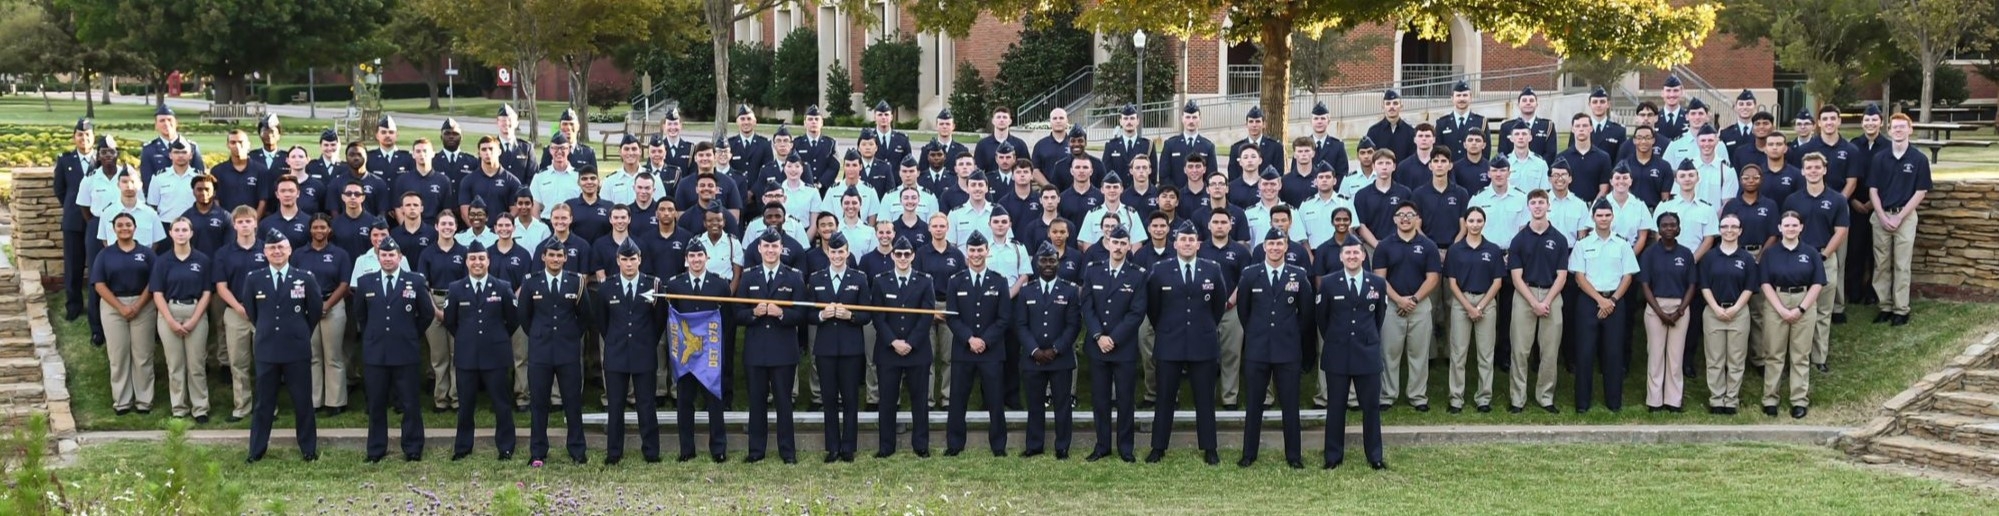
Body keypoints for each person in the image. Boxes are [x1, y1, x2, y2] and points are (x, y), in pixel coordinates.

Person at [1145, 222, 1227, 465]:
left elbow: (1218, 305)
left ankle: (1210, 448)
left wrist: (1204, 326)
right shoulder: (1160, 270)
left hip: (1202, 342)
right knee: (1165, 398)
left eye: (1192, 240)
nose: (1188, 243)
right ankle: (1158, 447)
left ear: (1198, 244)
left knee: (1205, 399)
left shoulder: (1212, 269)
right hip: (1170, 341)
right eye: (1183, 239)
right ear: (1175, 243)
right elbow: (1153, 308)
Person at [241, 229, 323, 463]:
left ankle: (308, 449)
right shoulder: (254, 279)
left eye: (281, 247)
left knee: (302, 401)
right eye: (272, 248)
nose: (277, 251)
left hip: (296, 348)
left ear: (289, 250)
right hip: (267, 348)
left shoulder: (304, 277)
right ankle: (256, 450)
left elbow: (314, 310)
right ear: (265, 252)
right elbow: (252, 311)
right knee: (264, 403)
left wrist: (300, 332)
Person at [1235, 228, 1314, 469]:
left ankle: (1294, 456)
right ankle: (1249, 454)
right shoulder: (1250, 275)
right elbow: (1244, 312)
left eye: (1280, 244)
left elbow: (1306, 314)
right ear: (1264, 247)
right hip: (1258, 349)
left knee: (1290, 406)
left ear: (1287, 247)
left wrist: (1287, 333)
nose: (1275, 248)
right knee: (1254, 404)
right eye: (1271, 244)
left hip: (1287, 349)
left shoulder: (1298, 276)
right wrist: (1259, 333)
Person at [353, 238, 433, 462]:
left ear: (400, 257)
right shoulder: (365, 282)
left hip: (405, 352)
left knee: (410, 403)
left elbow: (426, 314)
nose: (388, 259)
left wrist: (409, 334)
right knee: (377, 404)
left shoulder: (414, 282)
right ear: (378, 258)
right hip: (376, 353)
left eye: (392, 255)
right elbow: (361, 315)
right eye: (384, 255)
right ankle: (376, 449)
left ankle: (413, 447)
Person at [593, 239, 668, 464]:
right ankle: (614, 453)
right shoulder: (606, 287)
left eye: (632, 259)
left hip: (644, 353)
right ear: (617, 261)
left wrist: (646, 341)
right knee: (615, 405)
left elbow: (659, 321)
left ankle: (651, 451)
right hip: (616, 354)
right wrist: (616, 341)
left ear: (640, 260)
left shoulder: (653, 285)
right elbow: (602, 322)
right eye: (624, 259)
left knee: (646, 404)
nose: (628, 264)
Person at [734, 231, 805, 464]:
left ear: (781, 248)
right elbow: (737, 314)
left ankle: (788, 452)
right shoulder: (748, 277)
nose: (770, 250)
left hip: (783, 350)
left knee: (784, 403)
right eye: (766, 246)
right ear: (759, 249)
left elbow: (802, 315)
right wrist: (753, 313)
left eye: (775, 247)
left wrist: (782, 313)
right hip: (756, 350)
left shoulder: (794, 277)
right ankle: (756, 451)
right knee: (756, 403)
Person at [1318, 236, 1388, 470]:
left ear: (1363, 255)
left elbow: (1379, 317)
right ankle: (1333, 456)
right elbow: (1322, 320)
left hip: (1366, 353)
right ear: (1340, 257)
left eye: (1356, 253)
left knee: (1371, 408)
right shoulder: (1328, 283)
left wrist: (1365, 337)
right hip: (1337, 353)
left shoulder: (1377, 283)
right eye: (1347, 253)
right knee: (1335, 408)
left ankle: (1375, 456)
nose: (1351, 257)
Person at [519, 240, 592, 465]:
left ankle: (577, 450)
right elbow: (524, 317)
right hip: (540, 351)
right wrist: (540, 334)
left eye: (559, 256)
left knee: (572, 402)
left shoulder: (576, 282)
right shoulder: (531, 282)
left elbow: (585, 316)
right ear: (543, 257)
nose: (555, 259)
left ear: (565, 258)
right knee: (539, 403)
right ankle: (538, 451)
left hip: (568, 351)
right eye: (551, 255)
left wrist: (570, 336)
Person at [445, 241, 518, 461]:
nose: (477, 263)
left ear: (488, 261)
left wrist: (495, 337)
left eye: (481, 258)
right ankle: (463, 447)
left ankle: (505, 446)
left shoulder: (502, 286)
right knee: (465, 405)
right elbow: (450, 322)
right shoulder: (456, 288)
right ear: (467, 262)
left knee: (501, 404)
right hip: (467, 355)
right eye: (473, 259)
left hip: (495, 355)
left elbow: (513, 321)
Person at [942, 233, 1011, 457]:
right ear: (966, 253)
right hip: (964, 349)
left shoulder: (999, 281)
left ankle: (999, 445)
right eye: (972, 250)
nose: (976, 254)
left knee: (995, 400)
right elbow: (952, 316)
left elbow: (1003, 318)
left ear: (987, 251)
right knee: (957, 400)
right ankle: (954, 444)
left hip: (991, 351)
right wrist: (969, 338)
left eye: (980, 250)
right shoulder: (955, 281)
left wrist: (984, 340)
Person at [1080, 226, 1145, 462]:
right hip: (1097, 347)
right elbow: (1086, 305)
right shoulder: (1093, 271)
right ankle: (1102, 446)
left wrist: (1114, 338)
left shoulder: (1138, 274)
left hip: (1123, 347)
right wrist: (1099, 335)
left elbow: (1136, 312)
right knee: (1100, 399)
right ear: (1107, 244)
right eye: (1114, 243)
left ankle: (1125, 448)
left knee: (1126, 400)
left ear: (1129, 246)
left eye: (1123, 243)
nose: (1118, 247)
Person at [1570, 200, 1639, 413]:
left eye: (1607, 215)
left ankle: (1613, 402)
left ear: (1612, 217)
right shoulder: (1582, 245)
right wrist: (1600, 301)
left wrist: (1613, 300)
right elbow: (1579, 277)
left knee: (1613, 353)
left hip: (1615, 303)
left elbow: (1628, 275)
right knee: (1585, 353)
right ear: (1593, 218)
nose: (1603, 219)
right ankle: (1582, 403)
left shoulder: (1622, 244)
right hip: (1588, 302)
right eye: (1599, 215)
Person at [665, 240, 731, 462]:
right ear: (686, 259)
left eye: (700, 256)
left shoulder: (719, 285)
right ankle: (687, 449)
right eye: (692, 256)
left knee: (714, 402)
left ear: (707, 258)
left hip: (710, 355)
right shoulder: (675, 286)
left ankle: (718, 449)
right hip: (685, 356)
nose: (696, 260)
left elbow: (728, 321)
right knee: (684, 403)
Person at [1784, 152, 1850, 372]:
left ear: (1825, 170)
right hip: (1797, 259)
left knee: (1822, 311)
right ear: (1802, 171)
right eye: (1809, 168)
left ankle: (1819, 358)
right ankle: (1794, 357)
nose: (1813, 171)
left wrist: (1823, 255)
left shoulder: (1837, 200)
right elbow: (1788, 229)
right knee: (1797, 308)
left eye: (1817, 167)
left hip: (1825, 256)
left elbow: (1841, 231)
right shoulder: (1793, 200)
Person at [1372, 201, 1441, 411]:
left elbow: (1433, 278)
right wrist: (1399, 300)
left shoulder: (1428, 246)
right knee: (1389, 353)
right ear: (1394, 219)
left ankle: (1418, 396)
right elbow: (1379, 278)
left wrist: (1413, 300)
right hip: (1392, 306)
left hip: (1419, 306)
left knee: (1419, 353)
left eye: (1410, 214)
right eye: (1400, 215)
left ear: (1417, 219)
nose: (1405, 218)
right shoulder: (1384, 245)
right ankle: (1387, 395)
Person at [809, 233, 871, 462]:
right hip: (825, 348)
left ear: (848, 252)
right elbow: (807, 313)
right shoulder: (816, 279)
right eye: (833, 252)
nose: (837, 255)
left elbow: (867, 314)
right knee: (828, 399)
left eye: (841, 251)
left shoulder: (859, 278)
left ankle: (848, 447)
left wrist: (851, 315)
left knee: (850, 399)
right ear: (828, 252)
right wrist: (821, 315)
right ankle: (832, 447)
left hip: (850, 348)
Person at [1015, 242, 1080, 459]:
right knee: (1035, 405)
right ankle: (1034, 445)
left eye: (1052, 260)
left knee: (1062, 405)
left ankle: (1062, 446)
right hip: (1033, 359)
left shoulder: (1070, 290)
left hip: (1060, 359)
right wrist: (1034, 350)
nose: (1048, 265)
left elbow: (1073, 325)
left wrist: (1056, 349)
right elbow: (1020, 325)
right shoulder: (1026, 291)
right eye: (1044, 260)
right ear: (1036, 263)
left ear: (1058, 263)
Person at [873, 237, 936, 459]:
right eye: (898, 254)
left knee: (920, 400)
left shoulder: (925, 281)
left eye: (906, 254)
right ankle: (886, 446)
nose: (902, 258)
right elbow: (878, 317)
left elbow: (927, 316)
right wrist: (893, 342)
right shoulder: (880, 281)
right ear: (892, 255)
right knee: (887, 400)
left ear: (913, 256)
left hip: (917, 350)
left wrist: (910, 343)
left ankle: (921, 445)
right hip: (888, 350)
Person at [1507, 190, 1568, 413]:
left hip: (1552, 296)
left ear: (1548, 205)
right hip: (1525, 296)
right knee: (1520, 350)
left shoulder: (1559, 239)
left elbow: (1562, 275)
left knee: (1550, 352)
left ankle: (1545, 397)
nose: (1538, 206)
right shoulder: (1519, 240)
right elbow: (1515, 276)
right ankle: (1517, 398)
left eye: (1541, 202)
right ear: (1528, 207)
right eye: (1533, 203)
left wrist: (1547, 301)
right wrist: (1533, 302)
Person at [1762, 211, 1825, 419]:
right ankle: (1770, 398)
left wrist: (1801, 309)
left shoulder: (1811, 253)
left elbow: (1817, 283)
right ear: (1780, 228)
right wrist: (1780, 309)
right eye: (1786, 225)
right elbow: (1765, 283)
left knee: (1800, 354)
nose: (1790, 229)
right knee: (1774, 354)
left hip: (1804, 301)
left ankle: (1799, 400)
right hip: (1776, 302)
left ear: (1801, 227)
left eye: (1794, 225)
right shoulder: (1771, 253)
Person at [94, 212, 159, 416]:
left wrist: (138, 305)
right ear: (113, 229)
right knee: (118, 355)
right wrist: (120, 307)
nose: (124, 228)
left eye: (128, 225)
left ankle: (144, 401)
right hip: (113, 306)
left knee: (143, 355)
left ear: (135, 227)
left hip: (143, 305)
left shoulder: (146, 253)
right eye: (120, 225)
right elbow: (99, 284)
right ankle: (122, 401)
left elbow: (154, 282)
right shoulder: (105, 255)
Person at [1445, 207, 1505, 413]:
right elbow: (1452, 283)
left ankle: (1484, 398)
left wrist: (1479, 307)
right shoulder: (1455, 250)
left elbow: (1497, 282)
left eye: (1479, 220)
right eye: (1471, 220)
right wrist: (1469, 307)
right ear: (1466, 223)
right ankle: (1456, 398)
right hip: (1461, 302)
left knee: (1486, 354)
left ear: (1484, 223)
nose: (1475, 224)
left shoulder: (1493, 249)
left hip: (1485, 302)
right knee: (1458, 353)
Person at [151, 218, 212, 422]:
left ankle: (200, 408)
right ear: (171, 234)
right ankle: (179, 407)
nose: (180, 233)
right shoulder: (162, 261)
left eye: (184, 229)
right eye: (176, 230)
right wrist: (170, 321)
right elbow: (157, 293)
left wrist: (195, 319)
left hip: (195, 310)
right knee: (175, 364)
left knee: (196, 364)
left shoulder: (202, 260)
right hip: (169, 311)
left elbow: (207, 292)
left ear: (191, 233)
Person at [1869, 114, 1928, 326]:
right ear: (1890, 131)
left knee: (1902, 264)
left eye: (1903, 127)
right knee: (1881, 264)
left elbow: (1921, 191)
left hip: (1905, 215)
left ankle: (1901, 309)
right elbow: (1873, 190)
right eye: (1895, 127)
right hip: (1881, 215)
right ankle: (1884, 306)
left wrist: (1900, 216)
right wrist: (1883, 216)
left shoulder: (1919, 159)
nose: (1899, 130)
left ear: (1910, 130)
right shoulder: (1880, 158)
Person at [294, 215, 353, 416]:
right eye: (315, 227)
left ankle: (335, 401)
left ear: (329, 230)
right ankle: (314, 400)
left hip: (333, 305)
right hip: (306, 307)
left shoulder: (340, 254)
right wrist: (311, 306)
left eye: (323, 227)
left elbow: (344, 283)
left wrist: (326, 305)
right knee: (312, 355)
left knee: (333, 355)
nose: (319, 230)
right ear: (310, 230)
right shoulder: (299, 254)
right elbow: (295, 280)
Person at [1699, 214, 1757, 415]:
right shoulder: (1709, 257)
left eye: (1734, 227)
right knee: (1715, 359)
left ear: (1740, 230)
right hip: (1713, 312)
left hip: (1738, 313)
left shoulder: (1747, 259)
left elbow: (1749, 287)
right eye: (1725, 226)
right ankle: (1716, 400)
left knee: (1736, 359)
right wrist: (1716, 308)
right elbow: (1704, 285)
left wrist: (1735, 308)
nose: (1729, 230)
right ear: (1719, 229)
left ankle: (1731, 400)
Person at [1639, 212, 1697, 413]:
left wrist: (1680, 310)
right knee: (1655, 355)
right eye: (1665, 225)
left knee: (1675, 356)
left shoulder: (1686, 254)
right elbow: (1645, 285)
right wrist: (1661, 313)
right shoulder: (1650, 254)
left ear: (1679, 228)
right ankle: (1654, 401)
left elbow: (1692, 284)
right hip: (1656, 308)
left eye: (1673, 225)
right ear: (1659, 229)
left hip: (1681, 307)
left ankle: (1674, 400)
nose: (1669, 228)